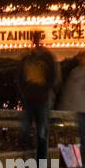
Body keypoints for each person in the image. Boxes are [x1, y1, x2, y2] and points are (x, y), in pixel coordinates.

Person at [16, 32, 61, 161]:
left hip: (42, 99)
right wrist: (23, 91)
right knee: (27, 129)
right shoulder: (27, 57)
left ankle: (40, 162)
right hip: (29, 98)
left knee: (41, 132)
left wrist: (46, 90)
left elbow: (53, 76)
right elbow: (19, 76)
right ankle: (28, 153)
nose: (35, 41)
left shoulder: (47, 57)